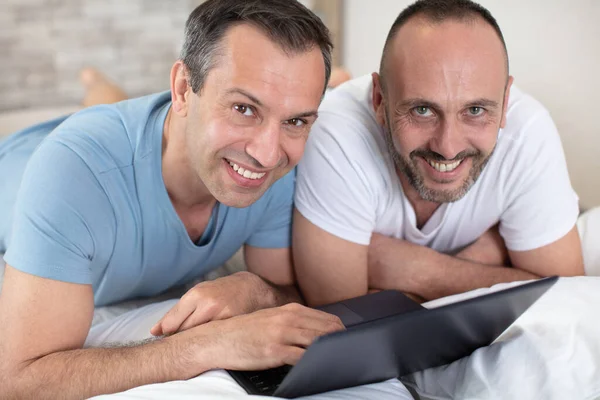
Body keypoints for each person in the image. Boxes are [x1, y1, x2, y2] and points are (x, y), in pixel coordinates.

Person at [0, 1, 346, 398]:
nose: (268, 154)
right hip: (21, 161)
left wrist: (255, 289)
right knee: (99, 117)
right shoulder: (70, 174)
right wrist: (209, 344)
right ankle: (95, 84)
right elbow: (20, 381)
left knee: (109, 105)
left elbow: (289, 289)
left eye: (296, 119)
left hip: (137, 138)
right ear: (183, 88)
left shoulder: (277, 166)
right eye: (244, 108)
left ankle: (100, 87)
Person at [292, 0, 584, 307]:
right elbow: (340, 321)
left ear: (506, 100)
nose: (448, 147)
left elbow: (566, 298)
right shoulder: (336, 131)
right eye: (422, 110)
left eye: (475, 110)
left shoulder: (527, 132)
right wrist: (493, 257)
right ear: (379, 99)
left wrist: (423, 271)